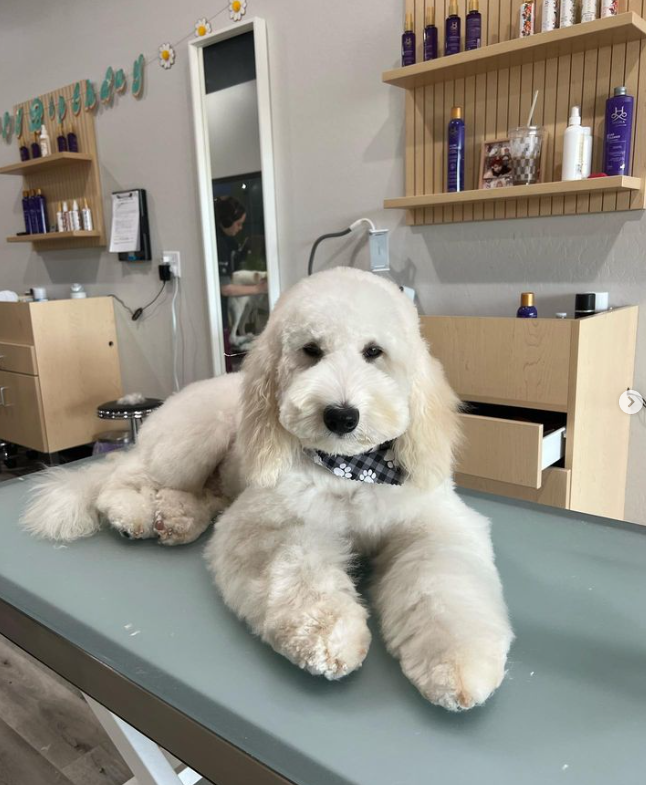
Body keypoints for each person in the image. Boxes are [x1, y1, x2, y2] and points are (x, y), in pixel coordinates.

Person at [214, 196, 268, 368]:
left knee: (226, 359)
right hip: (216, 316)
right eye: (238, 223)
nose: (240, 228)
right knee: (224, 363)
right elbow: (225, 289)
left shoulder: (228, 243)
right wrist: (258, 288)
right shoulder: (219, 244)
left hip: (221, 319)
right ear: (226, 221)